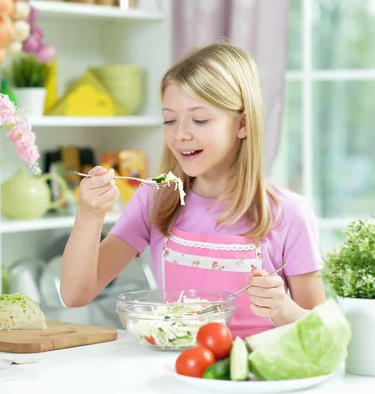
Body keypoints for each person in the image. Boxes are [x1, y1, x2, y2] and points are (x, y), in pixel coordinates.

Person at [60, 42, 327, 339]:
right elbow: (75, 294)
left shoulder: (287, 213)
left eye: (199, 120)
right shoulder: (156, 200)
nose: (180, 134)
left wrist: (283, 308)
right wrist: (89, 214)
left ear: (242, 124)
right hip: (175, 372)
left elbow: (323, 331)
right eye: (170, 120)